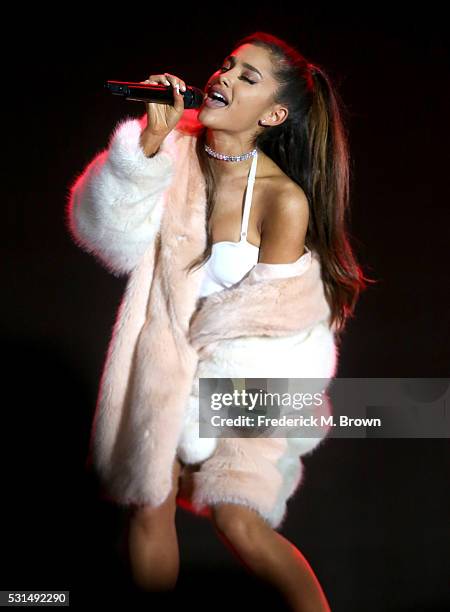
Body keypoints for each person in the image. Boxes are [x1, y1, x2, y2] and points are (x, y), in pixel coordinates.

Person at [67, 30, 372, 612]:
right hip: (164, 358)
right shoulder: (175, 151)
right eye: (227, 65)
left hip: (260, 373)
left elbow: (271, 326)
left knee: (239, 523)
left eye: (247, 77)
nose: (223, 77)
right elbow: (108, 238)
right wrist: (147, 152)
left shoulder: (284, 201)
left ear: (274, 114)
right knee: (147, 500)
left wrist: (196, 420)